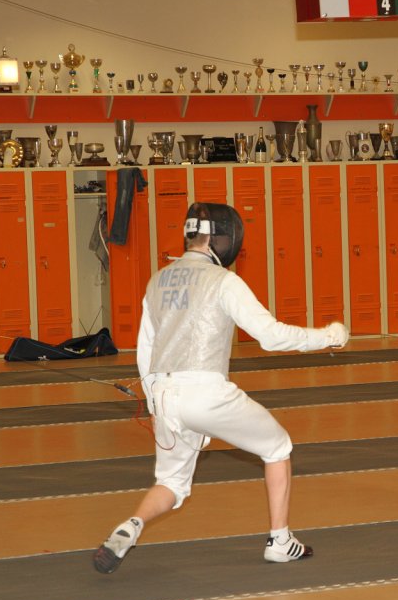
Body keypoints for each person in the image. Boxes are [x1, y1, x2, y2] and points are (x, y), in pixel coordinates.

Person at [93, 202, 349, 573]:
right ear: (222, 239)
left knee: (172, 484)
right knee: (278, 446)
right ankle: (280, 541)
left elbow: (145, 348)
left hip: (164, 395)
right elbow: (270, 336)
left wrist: (154, 403)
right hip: (207, 392)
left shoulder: (157, 280)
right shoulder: (224, 281)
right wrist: (328, 336)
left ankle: (131, 525)